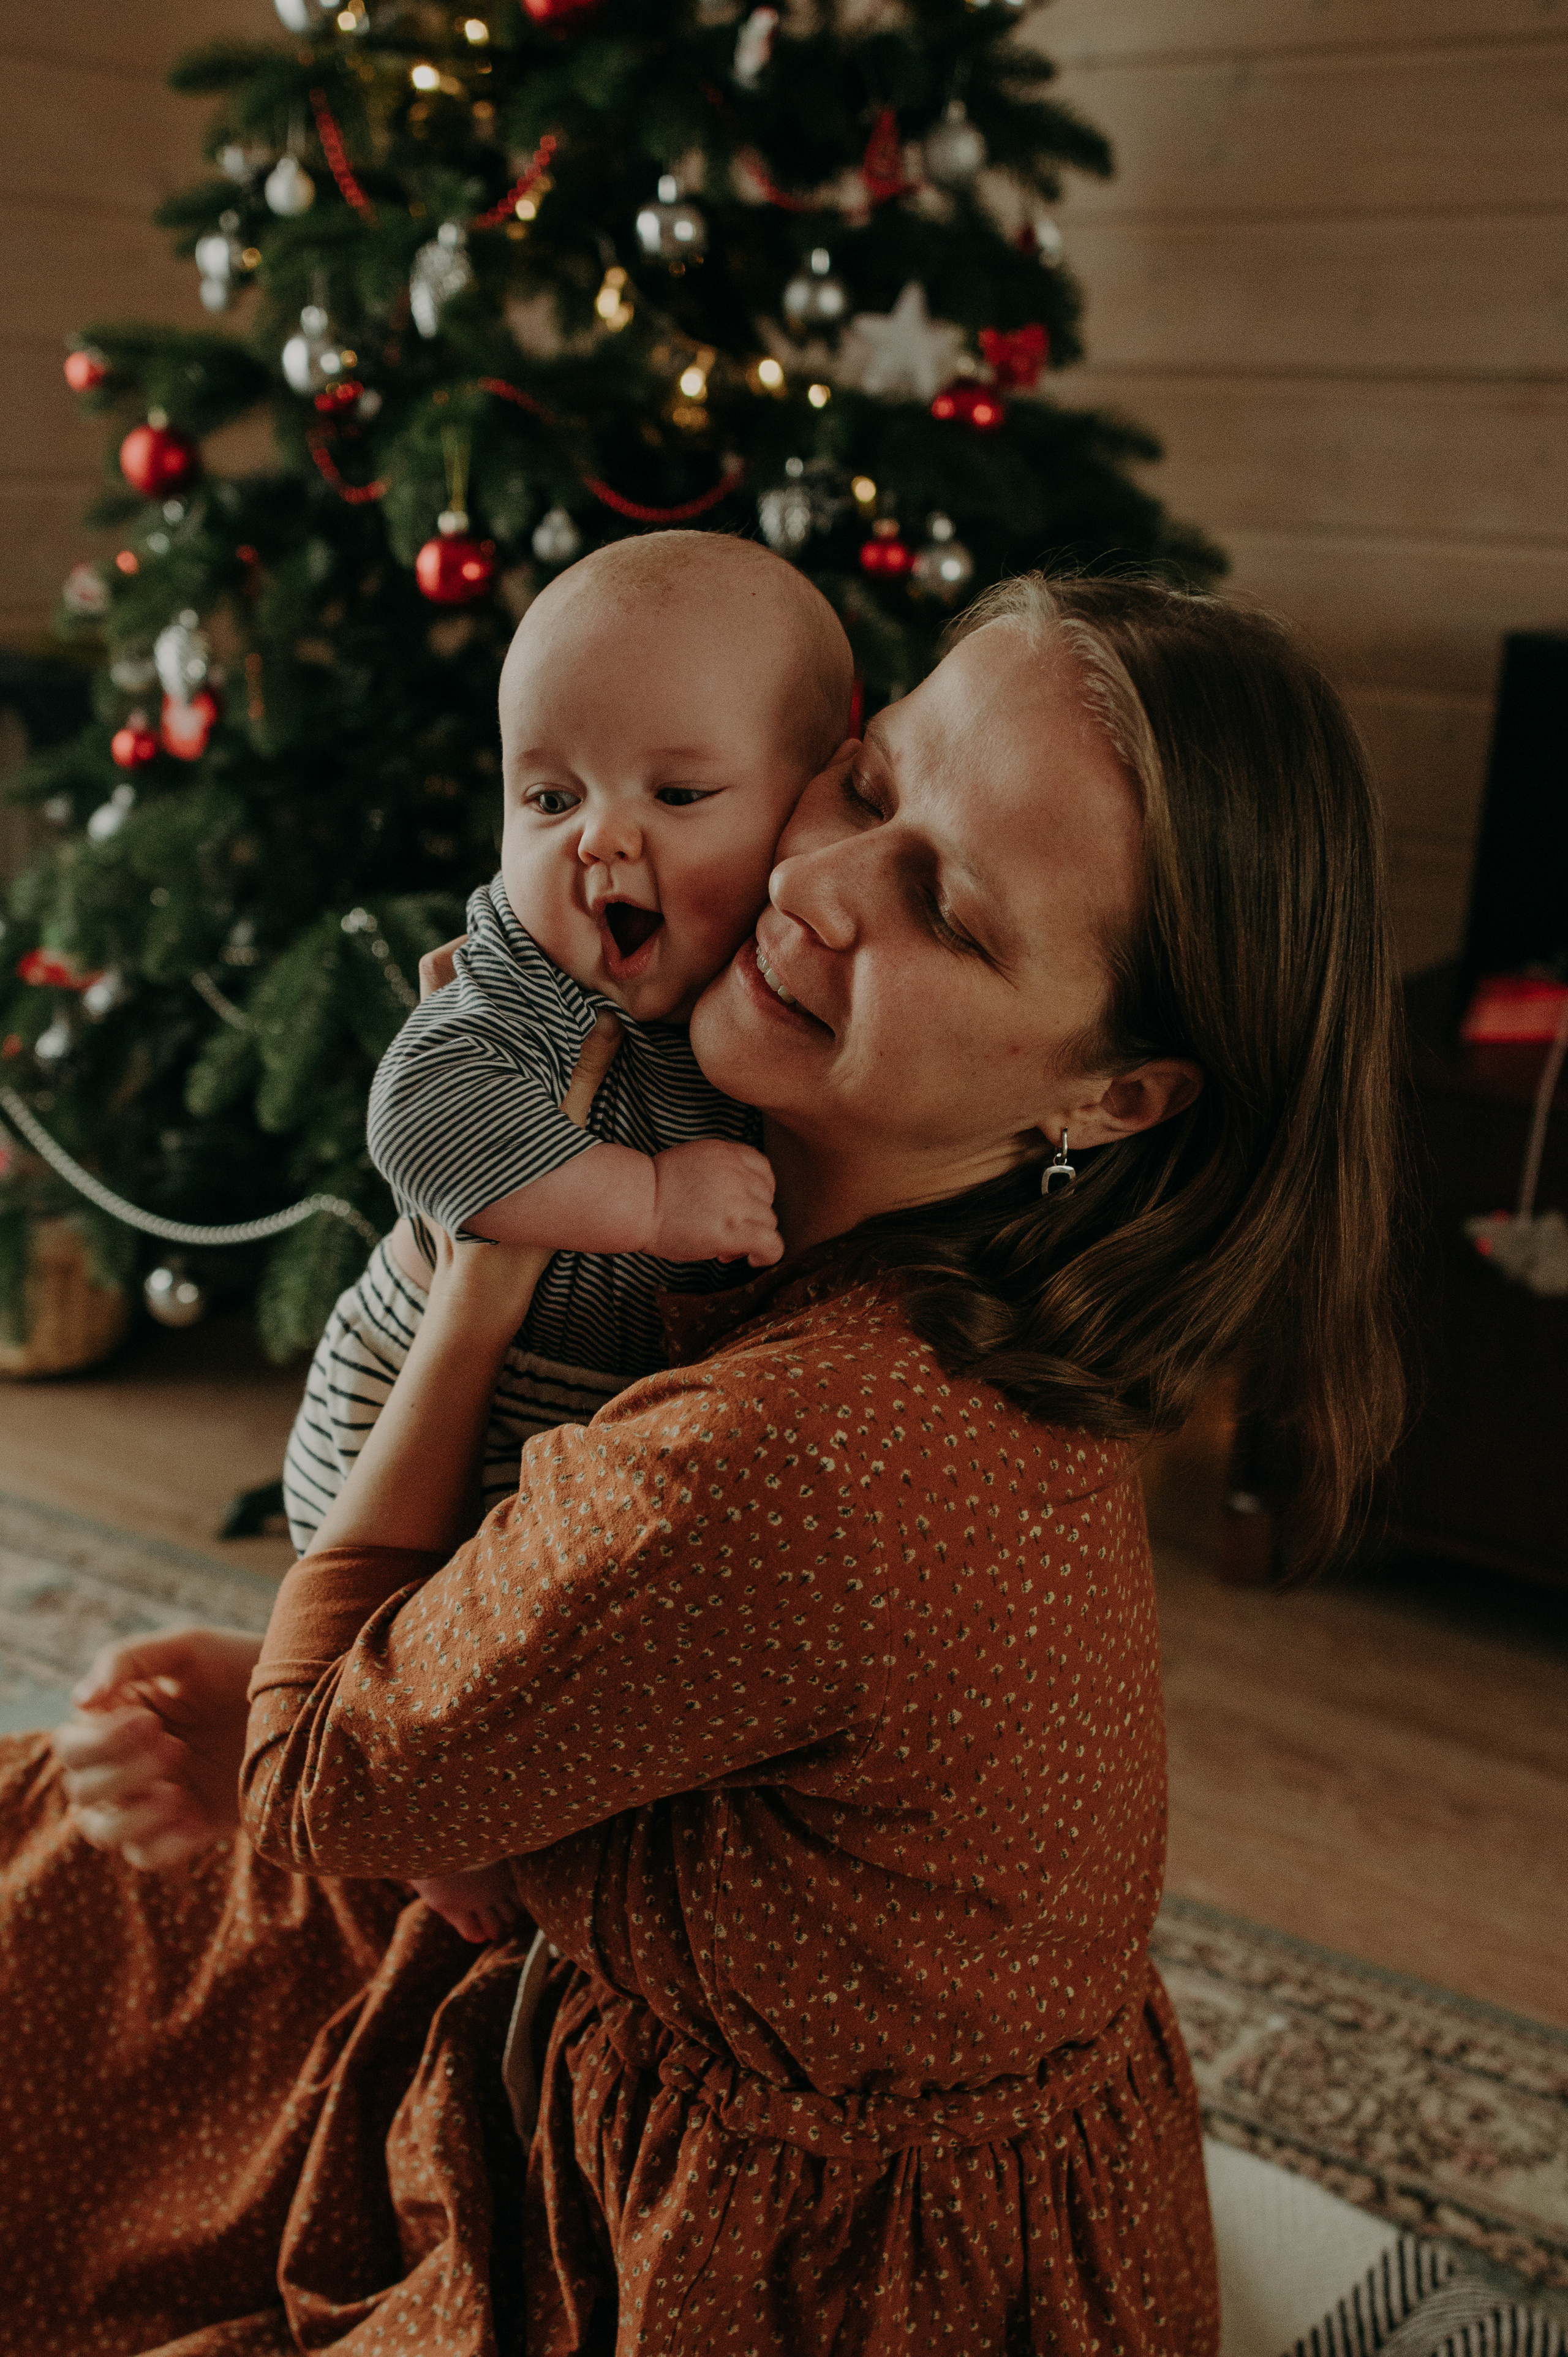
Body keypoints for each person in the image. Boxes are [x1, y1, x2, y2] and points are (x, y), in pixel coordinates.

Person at [9, 573, 1404, 2356]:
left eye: (950, 916)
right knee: (59, 1849)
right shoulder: (888, 1232)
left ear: (1115, 1096)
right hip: (643, 1913)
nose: (817, 892)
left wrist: (482, 1268)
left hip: (788, 2261)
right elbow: (669, 1715)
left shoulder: (796, 1451)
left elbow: (310, 1784)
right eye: (873, 783)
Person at [282, 531, 851, 1943]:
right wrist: (648, 1205)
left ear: (808, 802)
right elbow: (424, 1125)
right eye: (547, 794)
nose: (598, 837)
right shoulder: (529, 977)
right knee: (417, 1666)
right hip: (420, 1398)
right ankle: (421, 1838)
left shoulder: (782, 989)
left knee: (540, 1668)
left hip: (593, 1420)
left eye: (679, 790)